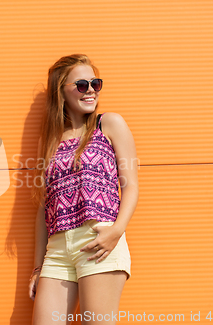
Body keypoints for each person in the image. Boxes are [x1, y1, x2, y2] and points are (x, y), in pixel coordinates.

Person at [28, 54, 138, 325]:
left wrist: (116, 231)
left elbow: (132, 185)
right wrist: (38, 266)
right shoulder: (48, 140)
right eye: (81, 84)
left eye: (95, 83)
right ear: (60, 92)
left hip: (97, 241)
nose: (90, 90)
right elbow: (44, 207)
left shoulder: (109, 124)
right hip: (57, 249)